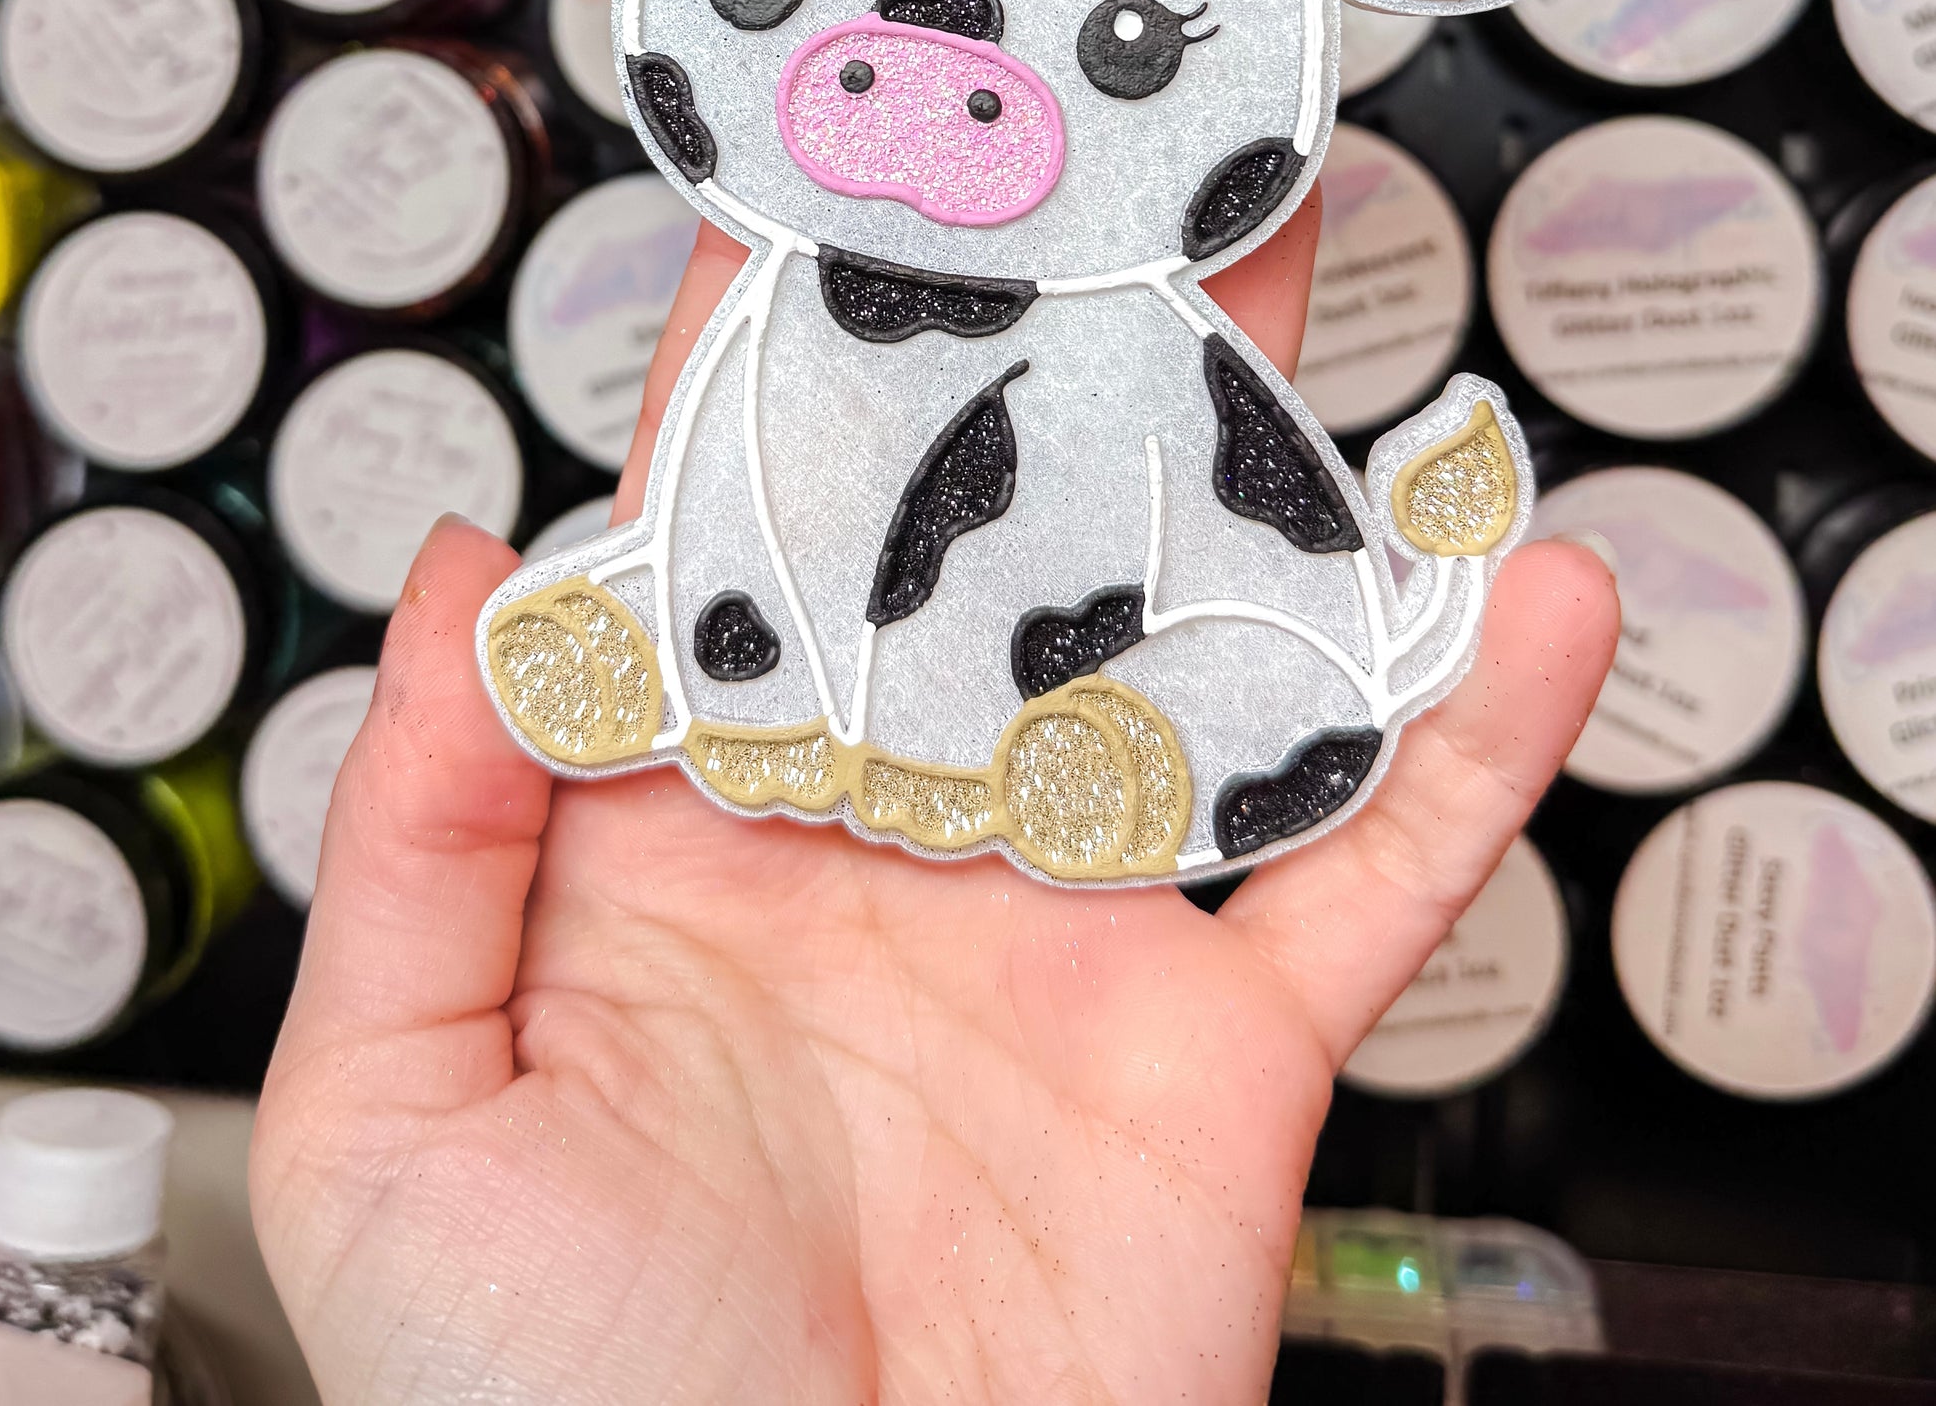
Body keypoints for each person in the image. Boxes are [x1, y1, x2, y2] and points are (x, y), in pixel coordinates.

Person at [251, 201, 1617, 1404]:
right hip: (914, 762)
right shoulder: (795, 305)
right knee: (800, 512)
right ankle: (697, 641)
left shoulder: (1132, 350)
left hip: (1185, 642)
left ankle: (1145, 735)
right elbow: (774, 494)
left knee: (1117, 589)